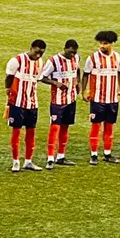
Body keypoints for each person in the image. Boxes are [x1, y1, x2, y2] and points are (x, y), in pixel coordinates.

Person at [83, 30, 120, 165]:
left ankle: (107, 153)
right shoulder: (92, 58)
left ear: (112, 43)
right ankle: (94, 155)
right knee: (95, 127)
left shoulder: (119, 58)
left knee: (109, 127)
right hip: (97, 99)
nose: (102, 46)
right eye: (100, 43)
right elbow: (85, 75)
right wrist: (84, 91)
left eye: (105, 43)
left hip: (112, 99)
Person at [5, 39, 47, 172]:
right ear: (31, 48)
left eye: (41, 53)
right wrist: (8, 91)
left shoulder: (40, 62)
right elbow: (9, 77)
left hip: (32, 102)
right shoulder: (17, 60)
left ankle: (28, 161)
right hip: (17, 102)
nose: (38, 55)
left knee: (31, 132)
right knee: (16, 131)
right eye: (36, 52)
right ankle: (16, 161)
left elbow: (37, 79)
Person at [41, 39, 80, 168]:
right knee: (54, 128)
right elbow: (42, 77)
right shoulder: (54, 61)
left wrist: (78, 83)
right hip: (57, 101)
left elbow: (77, 70)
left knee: (65, 127)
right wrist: (56, 83)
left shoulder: (76, 58)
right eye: (70, 52)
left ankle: (61, 156)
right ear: (64, 48)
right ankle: (50, 158)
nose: (72, 55)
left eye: (74, 53)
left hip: (71, 99)